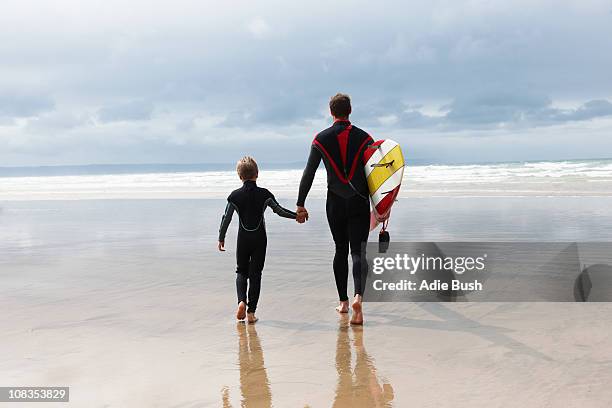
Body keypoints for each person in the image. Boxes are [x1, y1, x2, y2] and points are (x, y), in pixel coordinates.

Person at [296, 93, 373, 325]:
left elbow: (308, 172)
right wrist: (383, 205)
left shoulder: (321, 139)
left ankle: (344, 303)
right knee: (358, 252)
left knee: (340, 249)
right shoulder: (365, 138)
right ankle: (359, 297)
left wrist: (301, 203)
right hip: (360, 200)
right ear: (350, 110)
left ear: (331, 112)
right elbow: (377, 174)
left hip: (335, 202)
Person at [218, 156, 299, 323]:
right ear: (257, 174)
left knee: (241, 271)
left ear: (239, 176)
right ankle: (251, 313)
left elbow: (226, 218)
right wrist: (296, 216)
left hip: (243, 239)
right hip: (260, 239)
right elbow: (279, 211)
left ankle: (241, 301)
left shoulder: (234, 196)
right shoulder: (265, 194)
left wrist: (221, 237)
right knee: (256, 275)